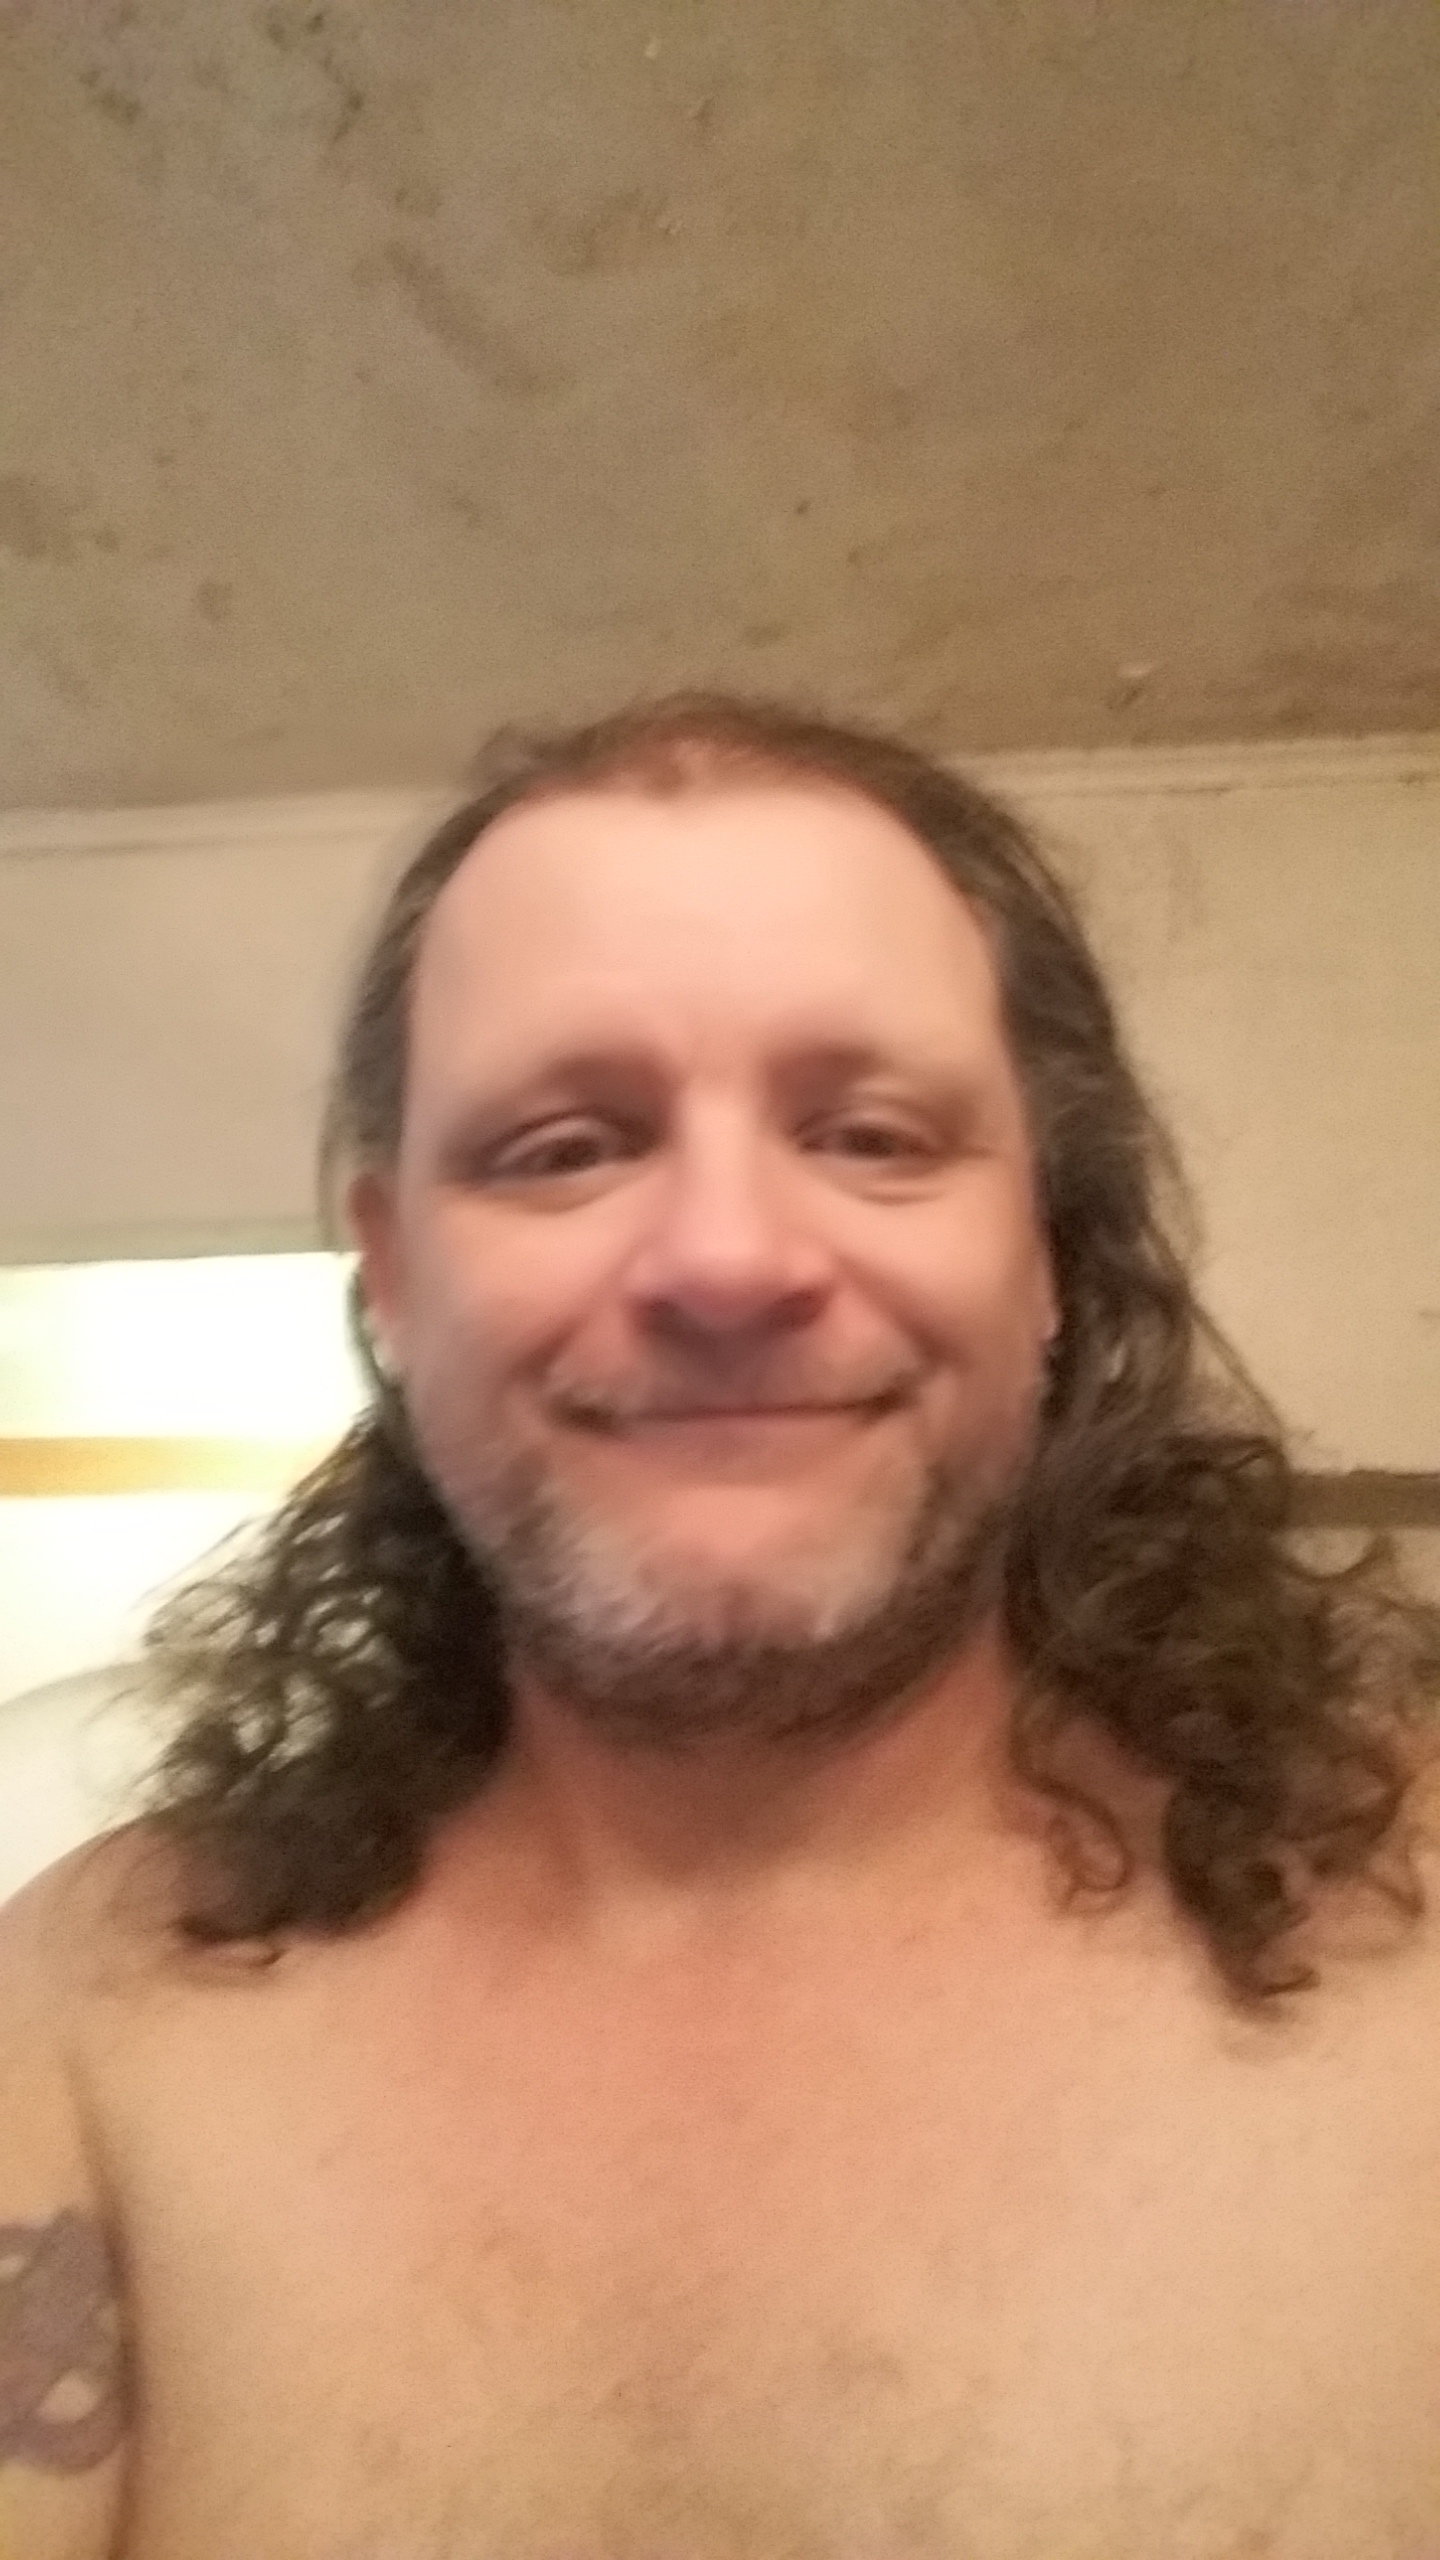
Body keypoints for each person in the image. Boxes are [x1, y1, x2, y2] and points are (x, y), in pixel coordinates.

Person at [2, 693, 1437, 2560]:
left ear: (1050, 1260)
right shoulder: (88, 2017)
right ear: (397, 1276)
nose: (727, 1261)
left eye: (872, 1134)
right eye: (562, 1149)